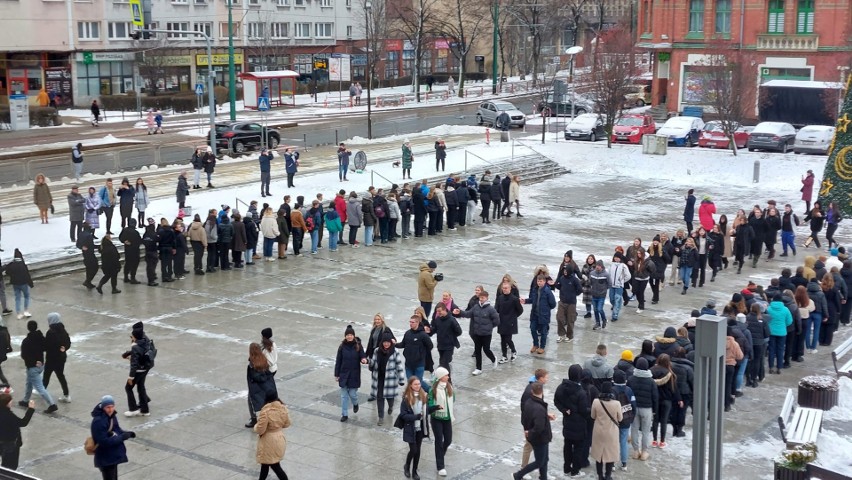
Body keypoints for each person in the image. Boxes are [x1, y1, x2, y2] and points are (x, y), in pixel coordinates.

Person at [512, 382, 554, 480]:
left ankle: (543, 477)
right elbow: (539, 427)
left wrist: (546, 416)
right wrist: (530, 433)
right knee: (539, 462)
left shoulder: (529, 402)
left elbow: (531, 418)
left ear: (532, 391)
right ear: (542, 392)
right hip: (540, 439)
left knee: (545, 459)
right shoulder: (539, 407)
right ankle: (518, 475)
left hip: (537, 437)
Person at [553, 364, 589, 478]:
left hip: (568, 423)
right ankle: (575, 470)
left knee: (567, 446)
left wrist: (564, 410)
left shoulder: (561, 387)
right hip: (579, 425)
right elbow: (583, 410)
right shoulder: (581, 392)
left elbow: (556, 400)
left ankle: (566, 468)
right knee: (578, 448)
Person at [401, 375, 439, 479]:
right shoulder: (407, 398)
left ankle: (414, 471)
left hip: (421, 428)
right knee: (413, 450)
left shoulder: (423, 396)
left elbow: (426, 411)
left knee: (418, 450)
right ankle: (407, 465)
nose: (418, 386)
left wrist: (435, 408)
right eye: (415, 384)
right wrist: (416, 417)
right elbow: (403, 415)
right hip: (411, 428)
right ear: (411, 385)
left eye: (419, 384)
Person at [454, 290, 500, 375]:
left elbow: (497, 320)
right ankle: (478, 368)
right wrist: (460, 312)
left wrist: (489, 327)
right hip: (477, 333)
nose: (481, 299)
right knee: (477, 350)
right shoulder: (476, 307)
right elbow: (468, 314)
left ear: (487, 298)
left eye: (483, 298)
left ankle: (494, 359)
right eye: (480, 298)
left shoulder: (491, 309)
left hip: (486, 334)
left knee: (486, 349)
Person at [90, 395, 135, 480]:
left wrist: (126, 434)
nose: (110, 410)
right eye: (108, 407)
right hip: (105, 457)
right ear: (103, 407)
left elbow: (116, 429)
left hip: (112, 455)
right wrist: (122, 437)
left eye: (112, 407)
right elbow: (104, 442)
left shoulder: (111, 416)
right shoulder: (99, 422)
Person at [19, 319, 58, 414]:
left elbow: (24, 355)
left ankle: (52, 404)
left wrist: (34, 362)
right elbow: (45, 347)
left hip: (32, 367)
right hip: (40, 365)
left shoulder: (26, 341)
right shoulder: (41, 337)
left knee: (40, 388)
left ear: (28, 328)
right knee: (29, 383)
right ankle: (25, 400)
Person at [368, 331, 405, 426]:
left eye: (388, 342)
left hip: (390, 379)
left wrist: (401, 379)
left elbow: (399, 366)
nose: (386, 344)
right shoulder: (377, 351)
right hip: (379, 377)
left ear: (391, 342)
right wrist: (368, 361)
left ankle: (391, 406)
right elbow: (373, 362)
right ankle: (380, 417)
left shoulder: (395, 351)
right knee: (379, 398)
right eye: (384, 342)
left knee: (389, 398)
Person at [253, 391, 291, 480]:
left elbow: (260, 430)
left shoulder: (266, 411)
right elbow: (287, 424)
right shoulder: (283, 408)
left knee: (274, 466)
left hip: (268, 442)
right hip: (280, 438)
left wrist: (255, 427)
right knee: (265, 464)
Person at [334, 325, 367, 422]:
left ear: (354, 335)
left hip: (354, 374)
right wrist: (337, 374)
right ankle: (344, 414)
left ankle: (355, 403)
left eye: (351, 335)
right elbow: (338, 361)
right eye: (347, 335)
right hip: (344, 374)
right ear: (345, 336)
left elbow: (362, 355)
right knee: (344, 396)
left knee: (353, 394)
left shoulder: (358, 346)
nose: (349, 336)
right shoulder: (341, 347)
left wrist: (364, 359)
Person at [627, 357, 656, 461]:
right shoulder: (651, 381)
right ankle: (644, 452)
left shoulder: (631, 379)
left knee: (634, 429)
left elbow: (628, 394)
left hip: (634, 408)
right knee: (645, 431)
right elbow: (655, 396)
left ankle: (635, 451)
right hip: (647, 408)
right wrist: (655, 410)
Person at [428, 367, 454, 477]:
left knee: (448, 440)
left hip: (447, 418)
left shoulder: (449, 387)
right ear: (440, 377)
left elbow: (453, 399)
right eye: (446, 375)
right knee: (439, 440)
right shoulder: (433, 390)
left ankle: (440, 456)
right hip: (436, 418)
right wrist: (436, 407)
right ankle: (440, 466)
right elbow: (429, 405)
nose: (448, 377)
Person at [122, 322, 152, 417]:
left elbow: (134, 364)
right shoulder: (145, 339)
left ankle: (133, 409)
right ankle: (144, 409)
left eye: (132, 336)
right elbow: (141, 352)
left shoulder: (135, 347)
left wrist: (130, 377)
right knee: (140, 386)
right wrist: (129, 353)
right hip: (146, 368)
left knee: (128, 387)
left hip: (138, 370)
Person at [522, 275, 557, 354]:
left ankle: (542, 347)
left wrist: (546, 309)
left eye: (541, 281)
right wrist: (525, 301)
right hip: (534, 314)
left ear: (544, 282)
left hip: (544, 315)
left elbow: (553, 304)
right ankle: (535, 344)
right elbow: (533, 300)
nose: (539, 282)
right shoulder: (535, 289)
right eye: (538, 281)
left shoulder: (548, 291)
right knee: (532, 329)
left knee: (543, 332)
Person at [0, 392, 35, 470]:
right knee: (10, 467)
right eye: (10, 401)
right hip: (10, 443)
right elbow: (23, 422)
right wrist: (31, 409)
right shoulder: (9, 416)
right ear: (7, 403)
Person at [42, 312, 71, 404]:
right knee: (61, 376)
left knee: (47, 375)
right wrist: (64, 348)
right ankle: (66, 395)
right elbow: (68, 342)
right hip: (61, 358)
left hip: (51, 358)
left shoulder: (50, 332)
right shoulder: (63, 330)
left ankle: (42, 390)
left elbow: (47, 346)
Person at [246, 342, 277, 428]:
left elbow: (254, 376)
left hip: (256, 387)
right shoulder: (264, 358)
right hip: (266, 385)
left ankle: (254, 419)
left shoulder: (252, 363)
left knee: (251, 401)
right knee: (266, 402)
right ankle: (269, 418)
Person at [495, 281, 523, 363]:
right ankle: (504, 356)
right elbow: (496, 308)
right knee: (502, 339)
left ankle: (514, 351)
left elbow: (520, 310)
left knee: (508, 339)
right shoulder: (500, 298)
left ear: (510, 288)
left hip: (510, 322)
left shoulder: (514, 299)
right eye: (503, 288)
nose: (504, 289)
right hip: (501, 321)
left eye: (506, 288)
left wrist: (513, 317)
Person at [430, 303, 462, 372]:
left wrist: (450, 336)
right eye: (437, 311)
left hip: (449, 346)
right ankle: (445, 379)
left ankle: (448, 380)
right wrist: (428, 331)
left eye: (439, 311)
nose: (438, 313)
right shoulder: (438, 319)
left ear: (445, 310)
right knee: (442, 362)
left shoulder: (451, 320)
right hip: (440, 345)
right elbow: (434, 329)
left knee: (443, 364)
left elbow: (459, 332)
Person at [5, 250, 33, 319]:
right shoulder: (23, 264)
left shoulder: (11, 264)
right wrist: (31, 283)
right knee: (26, 296)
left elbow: (7, 272)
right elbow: (27, 275)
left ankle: (18, 313)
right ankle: (26, 311)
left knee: (17, 298)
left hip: (15, 284)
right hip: (23, 283)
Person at [142, 220, 160, 286]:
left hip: (147, 251)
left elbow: (143, 241)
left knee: (149, 266)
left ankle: (151, 277)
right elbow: (158, 239)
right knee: (152, 266)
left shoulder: (145, 234)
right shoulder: (154, 234)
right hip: (153, 251)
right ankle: (151, 280)